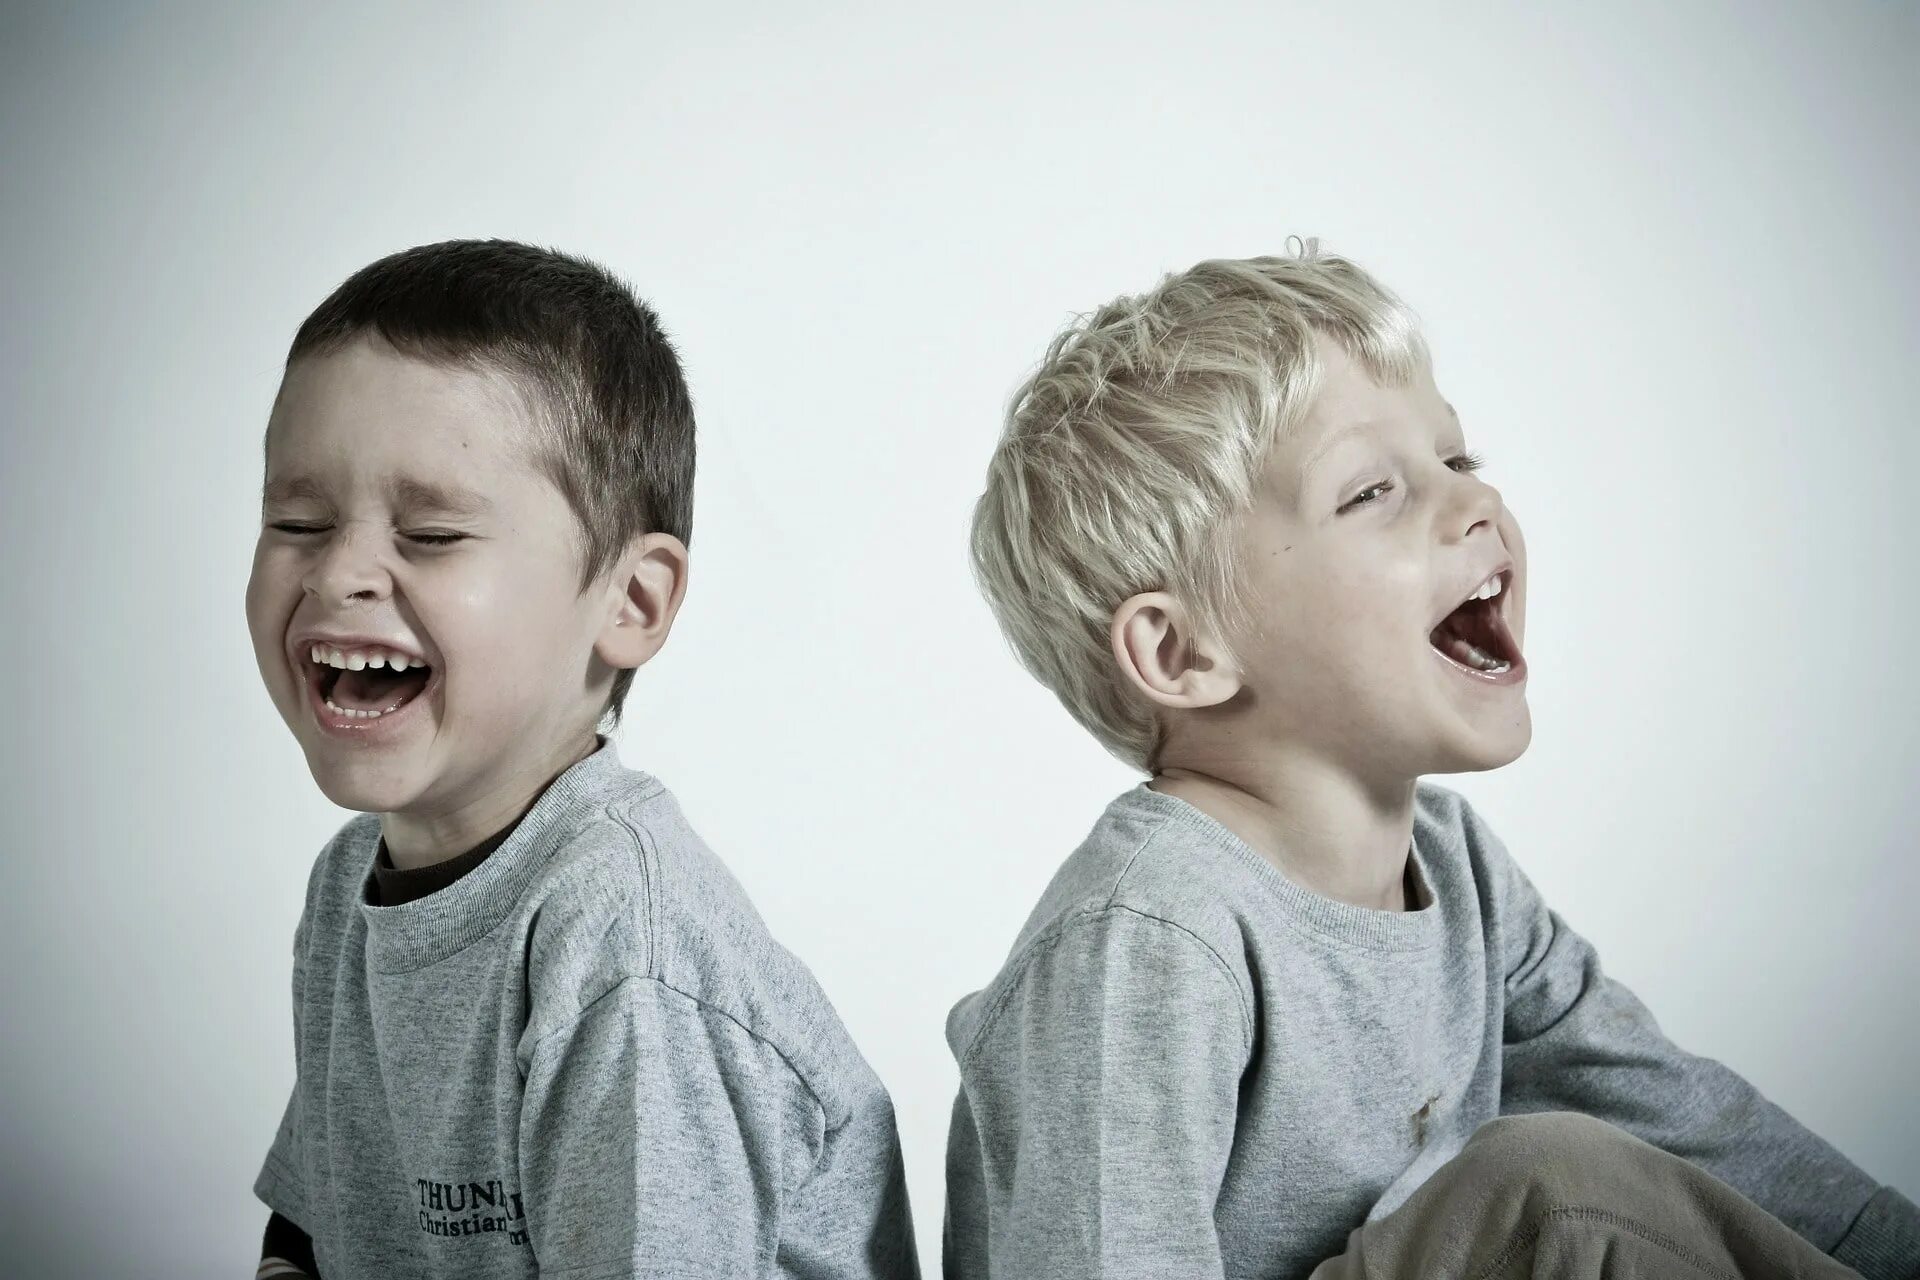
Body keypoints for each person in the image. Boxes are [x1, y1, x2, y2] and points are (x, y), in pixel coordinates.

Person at [943, 243, 1918, 1279]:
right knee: (1548, 1197)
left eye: (1458, 460)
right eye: (1371, 492)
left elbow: (1691, 1126)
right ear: (1183, 651)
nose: (1474, 504)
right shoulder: (1145, 940)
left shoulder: (1454, 866)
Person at [248, 239, 918, 1279]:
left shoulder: (622, 953)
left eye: (430, 532)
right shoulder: (348, 888)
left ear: (630, 601)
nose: (337, 571)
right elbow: (314, 1228)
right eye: (298, 519)